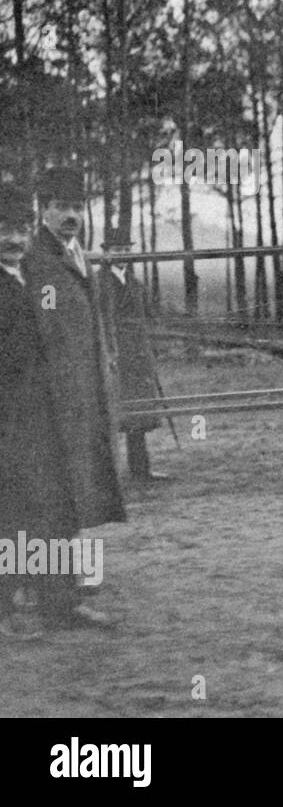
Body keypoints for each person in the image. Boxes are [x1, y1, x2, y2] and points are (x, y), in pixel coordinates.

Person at [22, 167, 126, 627]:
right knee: (52, 495)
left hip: (81, 392)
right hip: (51, 397)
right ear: (43, 210)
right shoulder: (39, 260)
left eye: (77, 207)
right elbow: (43, 327)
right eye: (61, 207)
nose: (71, 216)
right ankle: (57, 602)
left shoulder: (74, 253)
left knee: (69, 490)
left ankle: (58, 586)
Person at [0, 179, 102, 637]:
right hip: (10, 417)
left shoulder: (25, 277)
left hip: (41, 413)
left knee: (52, 507)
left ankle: (60, 603)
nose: (13, 239)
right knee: (14, 514)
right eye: (2, 229)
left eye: (20, 230)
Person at [98, 226, 167, 481]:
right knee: (110, 413)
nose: (123, 253)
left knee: (137, 414)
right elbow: (100, 320)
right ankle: (106, 474)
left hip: (136, 354)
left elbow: (147, 317)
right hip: (113, 353)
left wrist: (149, 347)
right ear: (106, 253)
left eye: (127, 249)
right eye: (118, 249)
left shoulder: (135, 283)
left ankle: (141, 469)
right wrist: (108, 351)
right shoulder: (99, 282)